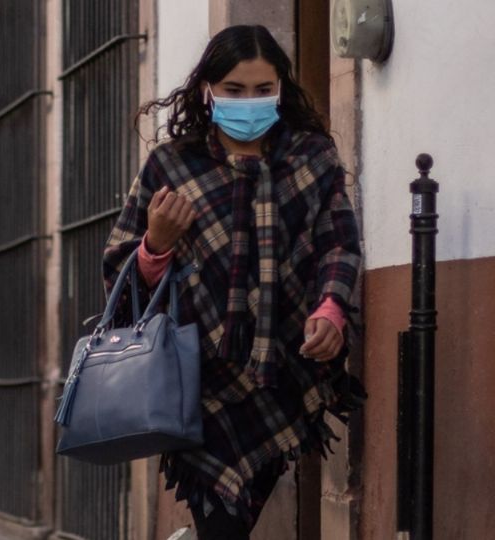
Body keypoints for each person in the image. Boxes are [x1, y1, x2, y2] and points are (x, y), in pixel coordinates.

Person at [103, 25, 365, 538]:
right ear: (207, 90)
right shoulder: (172, 164)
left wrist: (331, 308)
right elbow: (119, 269)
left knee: (229, 527)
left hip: (284, 374)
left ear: (281, 89)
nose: (250, 102)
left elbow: (339, 244)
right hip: (194, 382)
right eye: (234, 90)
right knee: (223, 526)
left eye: (263, 89)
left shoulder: (311, 158)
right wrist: (156, 244)